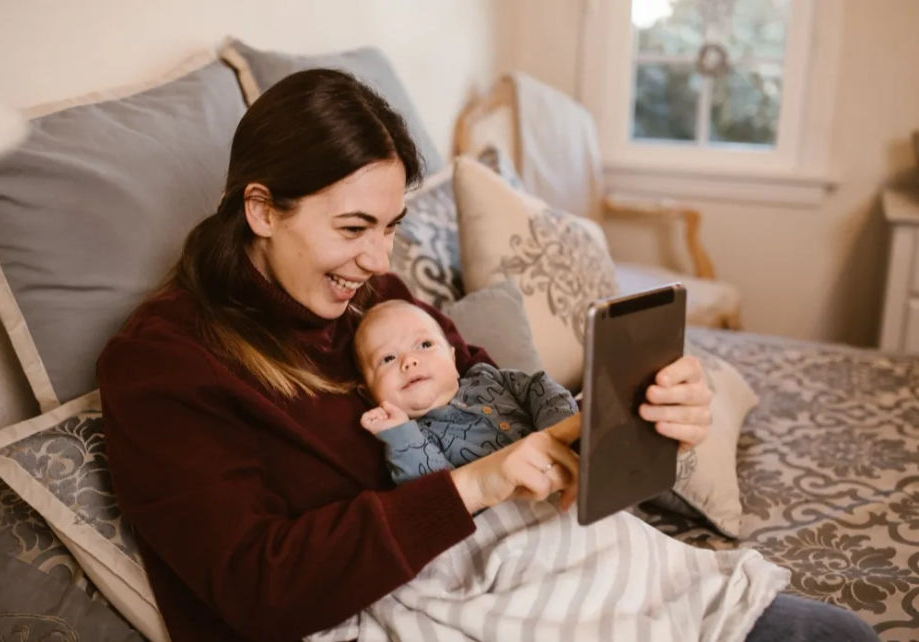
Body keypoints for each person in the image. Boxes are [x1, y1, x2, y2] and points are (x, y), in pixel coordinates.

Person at [96, 69, 877, 641]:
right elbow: (256, 587)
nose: (377, 259)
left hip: (554, 565)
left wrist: (647, 417)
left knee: (841, 636)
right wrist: (475, 482)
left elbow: (489, 392)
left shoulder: (370, 300)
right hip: (438, 604)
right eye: (352, 227)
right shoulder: (166, 367)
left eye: (392, 226)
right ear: (262, 209)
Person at [355, 299, 578, 493]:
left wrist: (558, 433)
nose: (409, 361)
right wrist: (399, 433)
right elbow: (435, 493)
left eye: (424, 344)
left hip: (563, 473)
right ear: (369, 393)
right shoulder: (413, 439)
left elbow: (540, 388)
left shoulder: (487, 377)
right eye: (388, 359)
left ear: (453, 358)